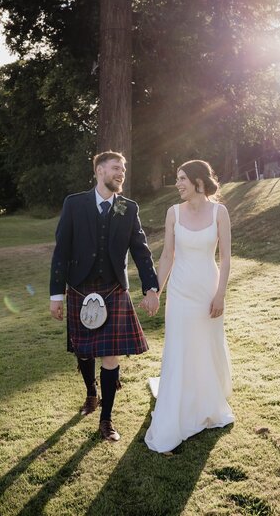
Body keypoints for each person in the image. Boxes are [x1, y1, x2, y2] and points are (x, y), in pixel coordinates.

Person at [50, 151, 159, 442]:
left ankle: (106, 419)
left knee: (110, 356)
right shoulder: (74, 204)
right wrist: (55, 295)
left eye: (123, 169)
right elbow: (61, 251)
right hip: (79, 288)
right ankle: (91, 392)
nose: (121, 173)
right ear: (99, 171)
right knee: (84, 351)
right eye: (115, 168)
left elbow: (140, 250)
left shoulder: (128, 207)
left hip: (113, 289)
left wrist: (151, 288)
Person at [144, 159, 234, 453]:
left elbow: (226, 259)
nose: (178, 184)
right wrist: (156, 290)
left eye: (182, 178)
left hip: (208, 288)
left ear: (198, 181)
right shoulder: (173, 213)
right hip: (181, 291)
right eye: (177, 178)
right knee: (180, 345)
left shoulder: (220, 212)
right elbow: (168, 256)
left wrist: (220, 295)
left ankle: (206, 402)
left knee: (207, 343)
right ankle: (178, 401)